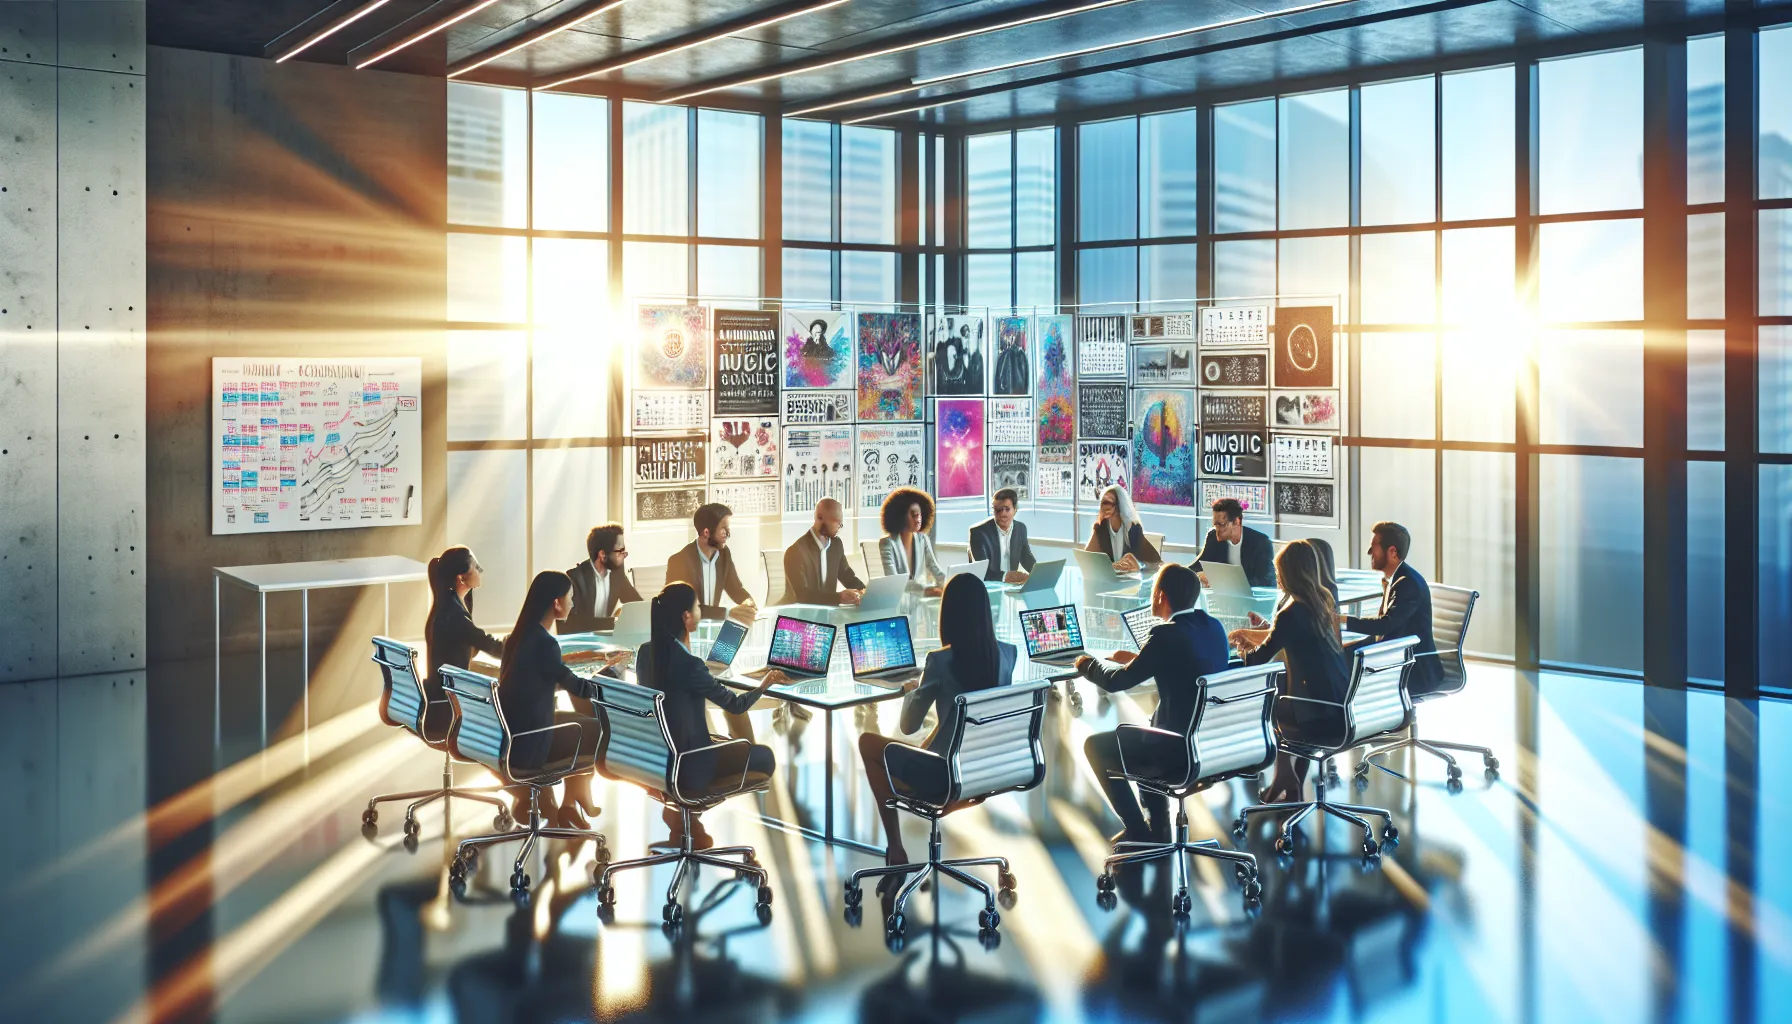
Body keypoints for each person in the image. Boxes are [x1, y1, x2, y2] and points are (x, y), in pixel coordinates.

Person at [859, 574, 1016, 893]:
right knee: (921, 749)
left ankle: (896, 850)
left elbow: (908, 726)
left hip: (944, 777)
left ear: (949, 615)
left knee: (869, 743)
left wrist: (910, 689)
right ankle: (915, 831)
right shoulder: (1008, 655)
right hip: (987, 772)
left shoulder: (940, 661)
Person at [1075, 565, 1230, 843]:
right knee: (1150, 727)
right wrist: (1140, 659)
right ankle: (1158, 826)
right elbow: (1187, 661)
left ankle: (1138, 829)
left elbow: (1115, 683)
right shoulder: (1214, 627)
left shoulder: (1164, 635)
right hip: (1210, 746)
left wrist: (1087, 664)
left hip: (1176, 751)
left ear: (1160, 596)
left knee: (1096, 746)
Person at [632, 583, 784, 850]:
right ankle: (686, 810)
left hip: (655, 761)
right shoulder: (690, 665)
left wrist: (702, 676)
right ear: (686, 617)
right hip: (690, 765)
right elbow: (736, 705)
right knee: (764, 757)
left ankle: (683, 816)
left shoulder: (646, 652)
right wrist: (765, 684)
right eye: (697, 607)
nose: (700, 611)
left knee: (720, 741)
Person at [497, 570, 626, 830]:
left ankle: (572, 802)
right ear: (556, 603)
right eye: (570, 597)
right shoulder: (545, 643)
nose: (573, 603)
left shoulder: (518, 637)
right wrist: (614, 688)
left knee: (583, 723)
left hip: (511, 734)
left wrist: (597, 661)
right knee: (599, 728)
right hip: (531, 745)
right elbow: (576, 686)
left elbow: (550, 673)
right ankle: (574, 801)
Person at [1228, 541, 1350, 804]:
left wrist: (1241, 648)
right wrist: (1263, 634)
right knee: (1283, 690)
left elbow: (1257, 661)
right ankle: (1289, 781)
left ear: (1289, 574)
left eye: (1279, 572)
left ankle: (1283, 776)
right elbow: (1294, 642)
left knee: (1263, 703)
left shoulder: (1291, 613)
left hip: (1315, 712)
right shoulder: (1323, 601)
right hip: (1340, 704)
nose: (1278, 579)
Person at [1338, 521, 1440, 695]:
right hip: (1397, 654)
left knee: (1341, 666)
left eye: (1373, 547)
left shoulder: (1408, 584)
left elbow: (1385, 625)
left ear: (1392, 552)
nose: (1369, 552)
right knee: (1342, 655)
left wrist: (1342, 620)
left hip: (1415, 671)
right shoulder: (1398, 578)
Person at [424, 546, 503, 735]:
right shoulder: (455, 615)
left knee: (499, 674)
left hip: (441, 697)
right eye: (475, 567)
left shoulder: (446, 605)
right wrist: (525, 646)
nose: (480, 570)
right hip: (450, 707)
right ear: (461, 578)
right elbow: (491, 646)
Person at [665, 502, 756, 622]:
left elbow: (736, 588)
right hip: (686, 631)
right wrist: (727, 613)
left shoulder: (723, 554)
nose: (728, 534)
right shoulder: (679, 561)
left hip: (712, 628)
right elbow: (684, 608)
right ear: (706, 532)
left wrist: (748, 603)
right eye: (724, 529)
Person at [781, 497, 866, 605]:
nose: (839, 527)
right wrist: (838, 598)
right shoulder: (795, 552)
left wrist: (864, 592)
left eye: (841, 523)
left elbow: (847, 575)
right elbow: (802, 595)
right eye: (836, 522)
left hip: (827, 614)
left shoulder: (836, 545)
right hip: (799, 615)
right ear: (819, 517)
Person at [561, 523, 642, 634]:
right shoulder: (574, 578)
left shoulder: (617, 575)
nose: (624, 555)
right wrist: (614, 623)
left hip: (607, 642)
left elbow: (638, 605)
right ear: (603, 555)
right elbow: (570, 623)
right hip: (582, 644)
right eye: (620, 551)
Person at [1196, 497, 1276, 588]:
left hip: (1252, 598)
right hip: (1222, 598)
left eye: (1221, 524)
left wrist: (1226, 583)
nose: (1217, 529)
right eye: (1215, 524)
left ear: (1236, 521)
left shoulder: (1261, 543)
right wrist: (1180, 571)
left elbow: (1266, 580)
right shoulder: (1212, 537)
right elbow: (1199, 564)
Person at [878, 487, 945, 596]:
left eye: (920, 514)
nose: (918, 518)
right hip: (900, 602)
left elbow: (936, 570)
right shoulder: (887, 543)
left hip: (920, 602)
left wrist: (948, 585)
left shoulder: (922, 539)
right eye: (914, 514)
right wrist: (924, 591)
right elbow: (894, 582)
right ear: (900, 516)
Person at [968, 488, 1036, 584]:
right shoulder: (978, 533)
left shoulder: (1021, 528)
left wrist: (1038, 574)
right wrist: (1006, 576)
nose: (1002, 514)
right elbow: (981, 570)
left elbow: (1027, 558)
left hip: (1012, 587)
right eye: (998, 510)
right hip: (988, 587)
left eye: (1007, 509)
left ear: (1015, 510)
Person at [1085, 484, 1161, 571]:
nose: (1104, 507)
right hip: (1109, 579)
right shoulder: (1101, 528)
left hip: (1130, 580)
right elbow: (1087, 559)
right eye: (1103, 503)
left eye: (1108, 502)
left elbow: (1156, 562)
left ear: (1118, 505)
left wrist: (1139, 565)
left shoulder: (1133, 529)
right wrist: (1096, 528)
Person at [992, 327, 1027, 395]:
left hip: (1008, 394)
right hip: (1017, 394)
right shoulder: (1021, 355)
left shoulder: (1005, 355)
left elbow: (1000, 377)